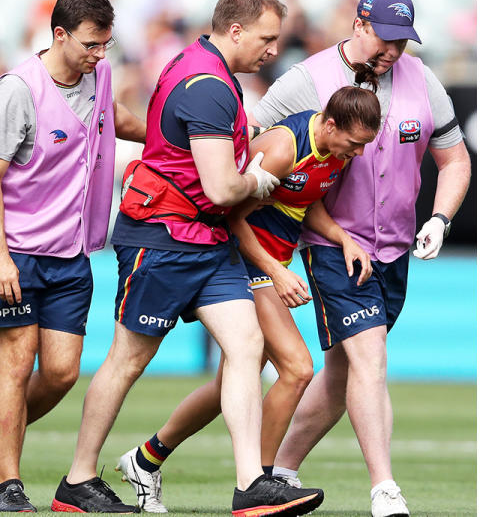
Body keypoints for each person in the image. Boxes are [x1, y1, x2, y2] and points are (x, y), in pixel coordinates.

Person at [52, 0, 324, 516]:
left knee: (246, 344)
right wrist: (263, 180)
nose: (273, 50)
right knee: (129, 359)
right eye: (267, 39)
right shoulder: (207, 87)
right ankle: (78, 482)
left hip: (208, 238)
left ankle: (251, 486)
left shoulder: (202, 66)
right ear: (237, 30)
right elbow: (223, 189)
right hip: (164, 238)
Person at [238, 0, 471, 517]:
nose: (394, 51)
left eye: (403, 42)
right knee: (372, 359)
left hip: (394, 251)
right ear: (360, 24)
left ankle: (280, 469)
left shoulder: (424, 80)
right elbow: (252, 140)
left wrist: (439, 218)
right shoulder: (307, 80)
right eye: (386, 39)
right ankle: (384, 489)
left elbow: (454, 160)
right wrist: (276, 213)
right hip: (332, 246)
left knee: (343, 375)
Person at [115, 82, 381, 513]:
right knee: (296, 368)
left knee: (229, 386)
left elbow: (303, 198)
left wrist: (342, 238)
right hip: (245, 261)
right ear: (330, 124)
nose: (360, 154)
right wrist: (276, 272)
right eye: (355, 143)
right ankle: (260, 484)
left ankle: (146, 458)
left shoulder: (334, 151)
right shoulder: (282, 149)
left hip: (271, 262)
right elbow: (233, 216)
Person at [0, 0, 145, 512]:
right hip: (17, 254)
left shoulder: (99, 74)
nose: (99, 55)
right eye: (90, 44)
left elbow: (117, 118)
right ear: (59, 34)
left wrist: (174, 140)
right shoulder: (18, 90)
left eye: (105, 44)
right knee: (15, 366)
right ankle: (8, 484)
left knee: (60, 372)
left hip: (72, 256)